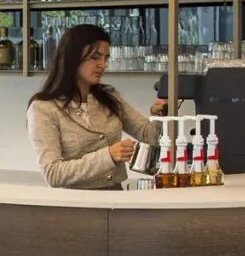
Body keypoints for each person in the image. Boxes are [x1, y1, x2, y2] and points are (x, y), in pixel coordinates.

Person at [27, 24, 166, 190]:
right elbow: (53, 173)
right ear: (72, 57)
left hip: (116, 199)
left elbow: (149, 136)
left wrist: (159, 115)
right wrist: (109, 155)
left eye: (106, 58)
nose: (103, 65)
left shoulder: (110, 97)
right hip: (75, 207)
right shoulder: (43, 108)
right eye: (95, 57)